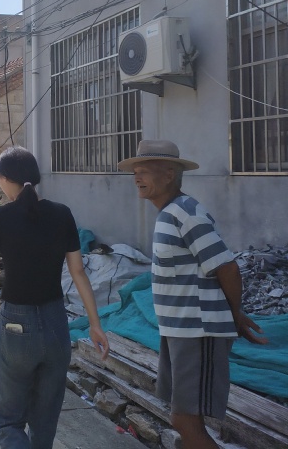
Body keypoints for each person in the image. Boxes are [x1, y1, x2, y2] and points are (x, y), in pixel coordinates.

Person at [117, 139, 268, 449]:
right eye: (135, 172)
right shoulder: (169, 214)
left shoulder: (186, 213)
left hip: (198, 330)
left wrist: (234, 315)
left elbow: (227, 267)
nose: (137, 178)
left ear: (169, 174)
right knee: (182, 420)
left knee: (185, 421)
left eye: (144, 171)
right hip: (179, 330)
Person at [0, 146, 109, 449]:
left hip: (16, 324)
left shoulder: (0, 216)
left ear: (6, 179)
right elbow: (78, 272)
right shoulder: (62, 214)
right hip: (56, 322)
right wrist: (95, 324)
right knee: (45, 420)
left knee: (9, 419)